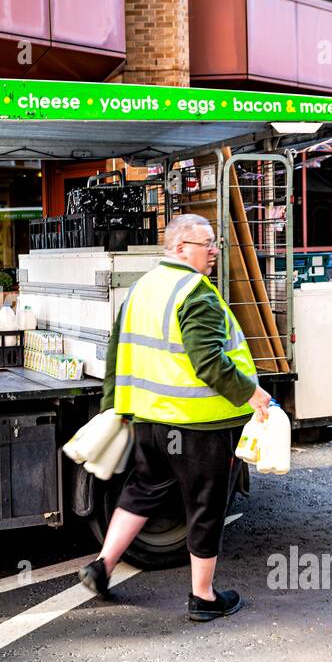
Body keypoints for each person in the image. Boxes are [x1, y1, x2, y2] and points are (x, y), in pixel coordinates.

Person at [79, 213, 271, 621]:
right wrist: (252, 393)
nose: (215, 251)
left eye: (215, 243)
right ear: (181, 248)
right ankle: (202, 597)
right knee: (206, 505)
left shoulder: (141, 288)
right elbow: (209, 364)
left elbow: (117, 352)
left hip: (151, 420)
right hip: (199, 424)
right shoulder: (196, 293)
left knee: (142, 490)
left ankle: (103, 565)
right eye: (208, 244)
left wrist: (116, 407)